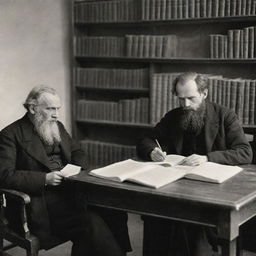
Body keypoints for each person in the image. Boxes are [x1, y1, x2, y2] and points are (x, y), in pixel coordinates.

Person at [0, 86, 131, 256]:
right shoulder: (10, 134)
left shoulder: (57, 126)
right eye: (50, 109)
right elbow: (4, 175)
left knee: (114, 209)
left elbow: (78, 152)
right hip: (39, 203)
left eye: (58, 109)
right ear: (33, 109)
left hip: (70, 189)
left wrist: (76, 170)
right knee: (90, 222)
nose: (56, 114)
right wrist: (44, 179)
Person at [137, 72, 253, 256]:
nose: (186, 105)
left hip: (214, 192)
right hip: (177, 187)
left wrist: (207, 158)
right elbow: (146, 140)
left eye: (191, 98)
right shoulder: (173, 116)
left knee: (190, 223)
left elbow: (245, 152)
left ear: (204, 93)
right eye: (181, 99)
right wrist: (152, 151)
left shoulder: (225, 116)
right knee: (155, 218)